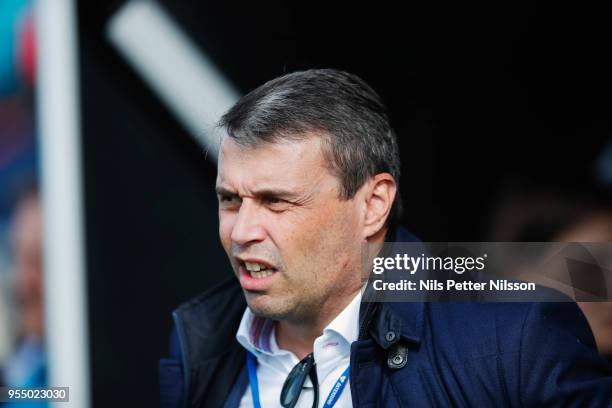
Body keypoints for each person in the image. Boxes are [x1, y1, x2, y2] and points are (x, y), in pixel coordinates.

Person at [160, 69, 612, 407]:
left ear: (373, 204)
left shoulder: (513, 335)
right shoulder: (199, 340)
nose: (241, 231)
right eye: (230, 201)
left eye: (277, 201)